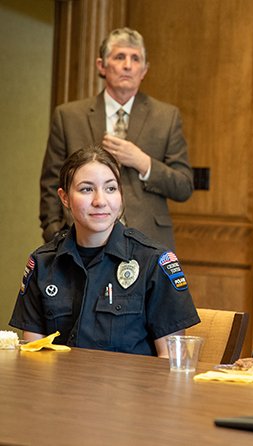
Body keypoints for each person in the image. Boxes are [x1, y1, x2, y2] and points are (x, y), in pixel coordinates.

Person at [11, 145, 200, 357]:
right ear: (64, 198)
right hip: (60, 388)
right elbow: (33, 357)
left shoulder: (153, 261)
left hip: (134, 389)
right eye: (86, 189)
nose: (100, 201)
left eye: (110, 188)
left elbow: (171, 363)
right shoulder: (42, 263)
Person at [39, 27, 193, 250]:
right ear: (101, 65)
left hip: (146, 243)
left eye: (135, 58)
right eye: (120, 57)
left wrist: (143, 162)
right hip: (80, 241)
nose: (127, 65)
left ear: (144, 70)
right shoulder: (69, 116)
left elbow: (184, 186)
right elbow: (51, 183)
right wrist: (55, 232)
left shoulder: (166, 117)